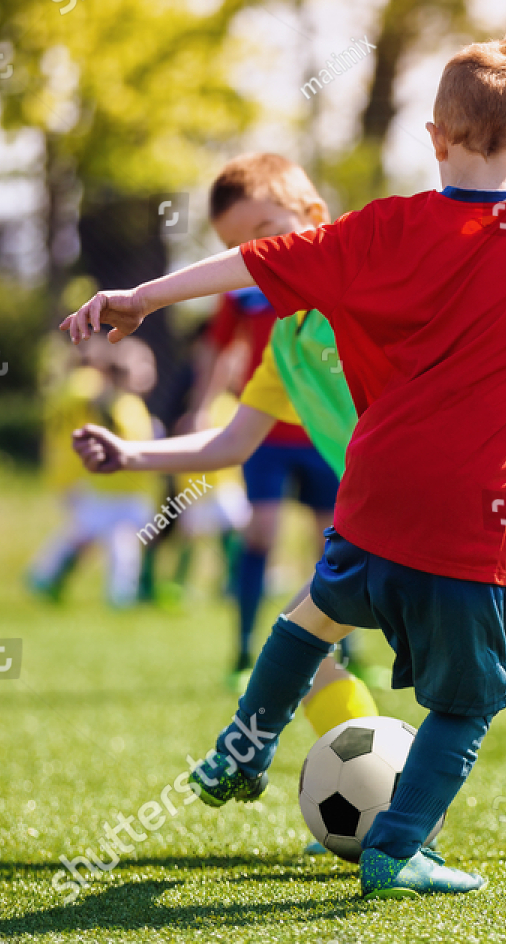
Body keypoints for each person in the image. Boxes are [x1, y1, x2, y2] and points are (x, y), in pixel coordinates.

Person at [62, 38, 506, 898]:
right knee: (466, 703)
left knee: (310, 618)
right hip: (466, 521)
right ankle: (399, 846)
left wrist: (141, 296)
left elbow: (247, 268)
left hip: (367, 502)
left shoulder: (376, 231)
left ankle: (246, 741)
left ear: (435, 137)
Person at [194, 164, 342, 687]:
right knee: (261, 534)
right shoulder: (238, 288)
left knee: (337, 543)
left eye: (264, 235)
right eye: (237, 246)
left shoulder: (338, 277)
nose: (253, 255)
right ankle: (242, 648)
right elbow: (219, 349)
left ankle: (343, 648)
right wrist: (202, 403)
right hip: (266, 431)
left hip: (329, 435)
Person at [27, 336, 157, 607]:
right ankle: (48, 579)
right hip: (87, 475)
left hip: (73, 472)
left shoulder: (64, 388)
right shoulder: (93, 389)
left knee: (85, 535)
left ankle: (46, 579)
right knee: (93, 537)